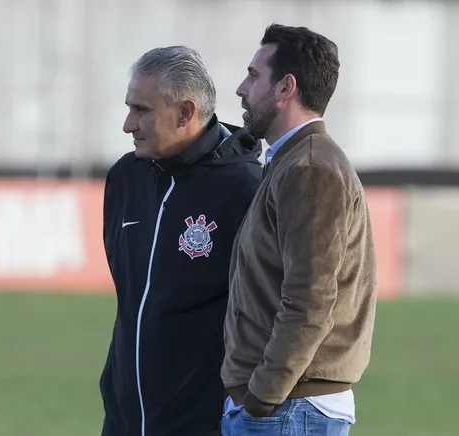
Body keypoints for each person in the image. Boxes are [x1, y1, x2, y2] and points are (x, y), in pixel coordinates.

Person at [220, 24, 378, 435]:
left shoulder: (309, 169)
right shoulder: (295, 162)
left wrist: (261, 398)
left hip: (289, 410)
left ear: (286, 87)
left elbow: (311, 301)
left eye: (254, 76)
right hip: (287, 407)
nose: (241, 88)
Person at [99, 45, 263, 436]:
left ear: (186, 113)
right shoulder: (125, 178)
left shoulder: (247, 190)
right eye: (129, 107)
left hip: (205, 424)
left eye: (142, 110)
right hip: (123, 421)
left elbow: (266, 314)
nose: (127, 124)